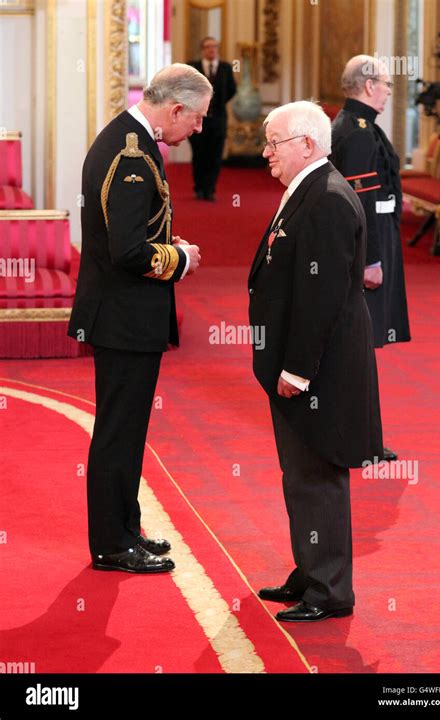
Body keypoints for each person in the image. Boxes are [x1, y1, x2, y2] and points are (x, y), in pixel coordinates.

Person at [68, 64, 212, 573]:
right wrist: (180, 260)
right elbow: (129, 249)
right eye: (196, 119)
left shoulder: (133, 139)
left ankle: (126, 528)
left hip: (126, 313)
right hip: (123, 316)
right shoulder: (130, 151)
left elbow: (126, 233)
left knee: (127, 430)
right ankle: (111, 544)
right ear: (175, 109)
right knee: (118, 431)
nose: (198, 129)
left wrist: (167, 245)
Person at [248, 101, 383, 622]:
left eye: (274, 142)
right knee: (299, 473)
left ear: (307, 144)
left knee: (317, 474)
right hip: (307, 366)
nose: (265, 152)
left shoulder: (325, 198)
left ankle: (329, 592)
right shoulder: (309, 189)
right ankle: (309, 573)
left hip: (318, 372)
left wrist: (297, 369)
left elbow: (322, 298)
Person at [331, 55, 411, 462]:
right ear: (368, 85)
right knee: (357, 351)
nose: (389, 92)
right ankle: (360, 442)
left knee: (359, 351)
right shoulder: (358, 132)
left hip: (373, 247)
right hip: (370, 251)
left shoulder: (357, 126)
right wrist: (371, 261)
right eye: (386, 84)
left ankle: (362, 439)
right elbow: (361, 205)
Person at [188, 36, 236, 201]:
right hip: (197, 119)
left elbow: (231, 90)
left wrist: (217, 105)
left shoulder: (226, 68)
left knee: (215, 155)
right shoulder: (193, 68)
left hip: (218, 119)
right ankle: (199, 187)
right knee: (199, 154)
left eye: (214, 46)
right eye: (208, 47)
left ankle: (210, 189)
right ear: (202, 50)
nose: (212, 50)